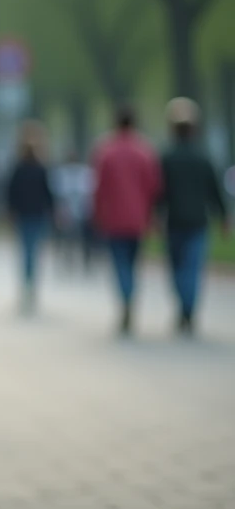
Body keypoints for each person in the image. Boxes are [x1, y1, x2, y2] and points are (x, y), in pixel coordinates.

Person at [158, 97, 229, 336]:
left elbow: (159, 193)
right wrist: (224, 217)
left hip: (175, 221)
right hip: (198, 221)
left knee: (177, 268)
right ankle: (189, 310)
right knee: (193, 267)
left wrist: (155, 214)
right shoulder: (203, 158)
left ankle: (184, 308)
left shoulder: (166, 158)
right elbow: (215, 191)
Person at [92, 105, 161, 336]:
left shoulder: (106, 151)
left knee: (120, 263)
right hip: (138, 218)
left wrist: (97, 213)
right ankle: (130, 298)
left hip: (113, 218)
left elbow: (99, 188)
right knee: (133, 263)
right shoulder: (145, 151)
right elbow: (153, 187)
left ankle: (126, 300)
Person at [5, 124, 57, 314]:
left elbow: (10, 192)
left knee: (26, 252)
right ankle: (31, 285)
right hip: (38, 214)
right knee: (34, 252)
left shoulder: (18, 168)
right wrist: (53, 211)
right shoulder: (41, 168)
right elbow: (48, 193)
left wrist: (10, 211)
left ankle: (27, 285)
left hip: (23, 215)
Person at [51, 150, 96, 273]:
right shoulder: (85, 173)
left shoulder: (64, 174)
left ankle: (74, 259)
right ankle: (74, 259)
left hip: (76, 211)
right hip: (75, 211)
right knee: (75, 238)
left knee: (73, 238)